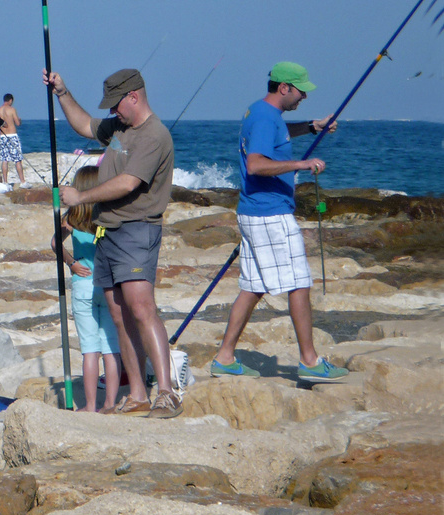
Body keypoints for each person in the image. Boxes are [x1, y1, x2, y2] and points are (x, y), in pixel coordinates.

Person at [44, 68, 181, 418]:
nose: (111, 112)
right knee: (119, 316)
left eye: (116, 105)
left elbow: (128, 183)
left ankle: (166, 392)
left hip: (137, 230)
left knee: (141, 307)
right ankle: (136, 394)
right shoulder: (118, 129)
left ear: (134, 96)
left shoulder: (154, 135)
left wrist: (82, 197)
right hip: (107, 231)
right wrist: (62, 92)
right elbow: (85, 125)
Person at [210, 62, 346, 384]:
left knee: (252, 287)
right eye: (301, 91)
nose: (304, 97)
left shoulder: (262, 114)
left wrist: (313, 127)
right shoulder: (264, 117)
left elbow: (275, 135)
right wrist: (302, 163)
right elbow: (256, 164)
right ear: (284, 87)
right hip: (270, 213)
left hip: (256, 211)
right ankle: (310, 361)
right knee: (299, 282)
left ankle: (225, 358)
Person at [51, 166, 121, 413]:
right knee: (111, 347)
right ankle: (110, 403)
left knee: (90, 349)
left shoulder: (71, 218)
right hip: (109, 285)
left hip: (83, 285)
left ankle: (90, 405)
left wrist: (72, 263)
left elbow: (54, 243)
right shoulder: (108, 216)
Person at [0, 93, 26, 187]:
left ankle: (5, 182)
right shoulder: (12, 109)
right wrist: (19, 120)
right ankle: (22, 182)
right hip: (12, 135)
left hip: (2, 136)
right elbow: (17, 123)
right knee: (17, 159)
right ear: (10, 100)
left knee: (5, 160)